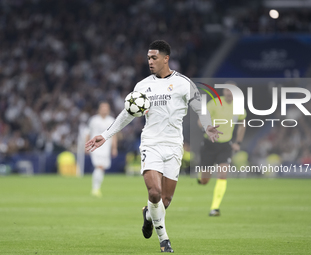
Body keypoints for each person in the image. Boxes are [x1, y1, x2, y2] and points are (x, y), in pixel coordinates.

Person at [85, 40, 222, 253]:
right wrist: (105, 135)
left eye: (154, 58)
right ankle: (164, 240)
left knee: (164, 201)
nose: (149, 61)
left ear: (166, 58)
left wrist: (208, 126)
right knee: (155, 192)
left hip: (174, 146)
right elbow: (127, 114)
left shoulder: (183, 83)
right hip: (151, 144)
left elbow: (199, 106)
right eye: (148, 58)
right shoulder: (142, 86)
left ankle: (148, 215)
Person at [198, 86, 246, 216]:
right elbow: (201, 120)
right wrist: (206, 131)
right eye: (227, 90)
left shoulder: (239, 107)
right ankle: (201, 179)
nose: (229, 93)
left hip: (226, 145)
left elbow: (243, 124)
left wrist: (238, 142)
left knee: (222, 175)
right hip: (210, 144)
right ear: (223, 92)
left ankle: (215, 208)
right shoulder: (214, 103)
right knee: (205, 180)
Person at [86, 102, 118, 197]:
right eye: (103, 108)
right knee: (99, 166)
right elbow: (88, 133)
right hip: (95, 147)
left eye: (106, 108)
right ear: (99, 109)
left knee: (102, 168)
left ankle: (97, 188)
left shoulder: (111, 120)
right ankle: (95, 189)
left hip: (106, 148)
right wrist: (87, 145)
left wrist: (114, 148)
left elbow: (114, 135)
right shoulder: (94, 120)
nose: (104, 110)